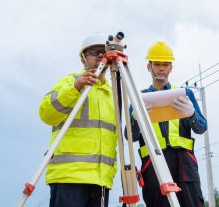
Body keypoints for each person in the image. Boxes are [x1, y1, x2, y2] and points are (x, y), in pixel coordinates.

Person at [39, 33, 118, 207]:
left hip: (101, 180)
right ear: (83, 58)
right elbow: (47, 114)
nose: (100, 55)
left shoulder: (112, 94)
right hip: (70, 177)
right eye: (94, 52)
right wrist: (75, 88)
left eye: (103, 52)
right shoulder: (70, 82)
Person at [129, 41, 207, 207]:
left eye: (165, 64)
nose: (161, 68)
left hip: (185, 164)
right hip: (154, 164)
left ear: (171, 67)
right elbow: (130, 137)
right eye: (157, 64)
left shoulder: (185, 94)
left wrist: (191, 114)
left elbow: (201, 127)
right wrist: (135, 119)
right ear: (149, 67)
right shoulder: (139, 98)